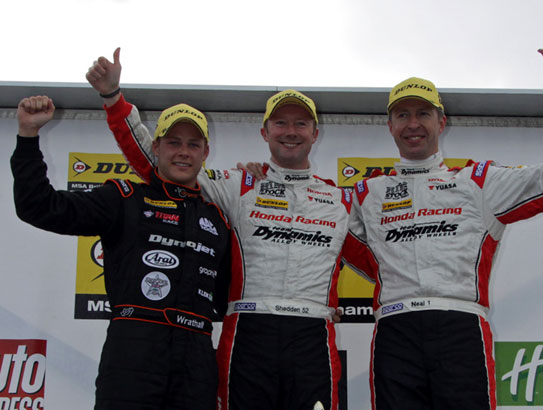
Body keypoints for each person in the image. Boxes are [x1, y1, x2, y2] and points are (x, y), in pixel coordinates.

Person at [86, 48, 367, 410]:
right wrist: (114, 99)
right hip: (248, 333)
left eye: (301, 124)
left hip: (312, 335)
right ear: (265, 132)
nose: (291, 132)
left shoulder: (340, 200)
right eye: (281, 123)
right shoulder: (239, 185)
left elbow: (386, 263)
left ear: (315, 132)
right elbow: (161, 165)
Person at [345, 49, 543, 409]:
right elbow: (317, 219)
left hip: (459, 327)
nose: (413, 123)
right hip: (395, 328)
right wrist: (265, 176)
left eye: (423, 113)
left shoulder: (478, 182)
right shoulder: (367, 193)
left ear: (441, 121)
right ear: (390, 126)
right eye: (402, 115)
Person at [11, 95, 231, 410]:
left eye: (193, 144)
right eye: (173, 142)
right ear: (156, 148)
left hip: (196, 358)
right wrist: (28, 137)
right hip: (133, 351)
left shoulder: (217, 218)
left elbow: (230, 298)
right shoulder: (124, 198)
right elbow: (40, 207)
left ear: (205, 153)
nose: (183, 152)